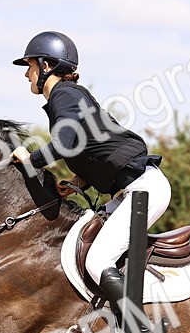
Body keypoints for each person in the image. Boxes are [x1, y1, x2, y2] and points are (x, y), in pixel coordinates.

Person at [9, 31, 172, 314]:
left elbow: (65, 143)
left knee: (97, 261)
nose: (26, 74)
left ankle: (139, 328)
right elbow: (94, 143)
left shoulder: (64, 95)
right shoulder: (67, 97)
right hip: (135, 189)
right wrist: (78, 181)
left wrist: (30, 159)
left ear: (46, 66)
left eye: (30, 66)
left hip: (145, 189)